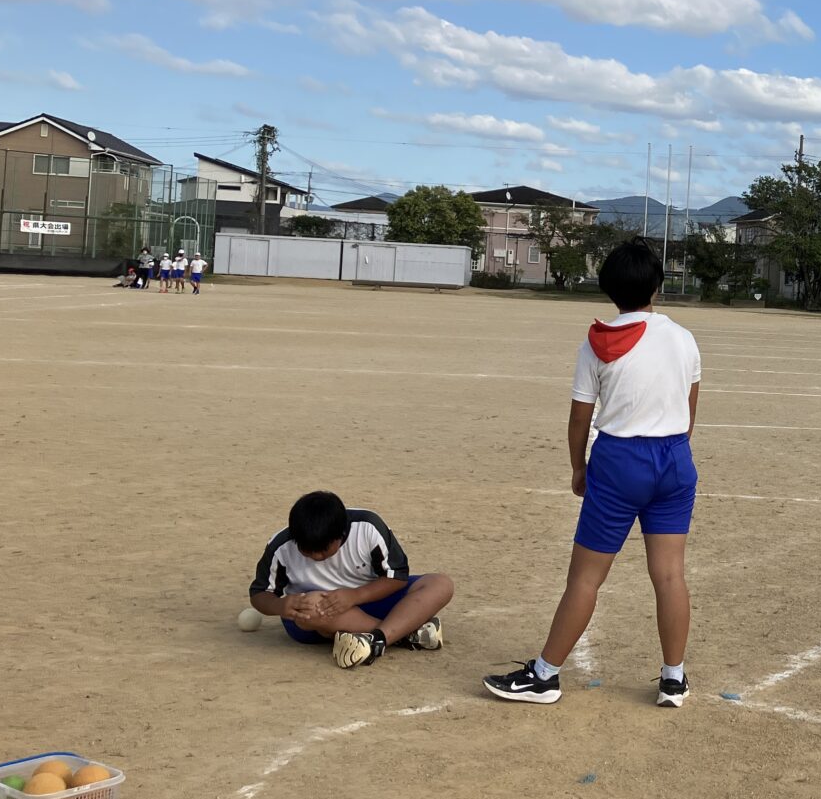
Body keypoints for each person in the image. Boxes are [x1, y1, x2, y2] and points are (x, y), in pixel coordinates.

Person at [484, 238, 701, 709]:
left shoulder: (598, 342)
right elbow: (690, 407)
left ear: (608, 289)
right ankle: (673, 678)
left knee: (585, 578)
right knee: (669, 575)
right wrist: (674, 454)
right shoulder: (684, 338)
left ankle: (545, 676)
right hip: (675, 460)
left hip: (619, 461)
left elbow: (580, 417)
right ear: (657, 288)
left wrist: (579, 468)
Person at [248, 491, 454, 669]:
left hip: (371, 598)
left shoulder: (368, 528)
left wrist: (355, 595)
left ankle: (376, 639)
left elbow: (397, 577)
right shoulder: (281, 546)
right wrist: (279, 605)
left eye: (324, 550)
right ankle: (402, 633)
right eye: (307, 551)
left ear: (341, 534)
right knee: (311, 607)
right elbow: (259, 594)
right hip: (318, 619)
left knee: (440, 584)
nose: (317, 557)